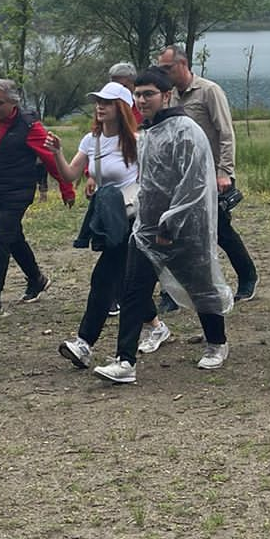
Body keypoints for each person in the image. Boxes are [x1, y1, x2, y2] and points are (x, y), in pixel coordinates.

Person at [92, 68, 234, 383]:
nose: (142, 100)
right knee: (133, 290)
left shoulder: (186, 131)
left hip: (184, 229)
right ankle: (125, 361)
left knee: (202, 287)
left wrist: (172, 224)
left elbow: (193, 185)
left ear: (166, 95)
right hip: (146, 230)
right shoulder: (148, 133)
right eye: (138, 94)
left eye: (148, 94)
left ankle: (216, 343)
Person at [57, 84, 170, 371]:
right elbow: (70, 174)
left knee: (104, 278)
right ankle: (156, 326)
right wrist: (57, 153)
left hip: (133, 219)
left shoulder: (136, 140)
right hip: (108, 220)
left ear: (120, 107)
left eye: (106, 102)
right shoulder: (90, 140)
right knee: (123, 282)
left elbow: (152, 181)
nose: (100, 107)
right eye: (97, 102)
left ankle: (84, 343)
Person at [155, 47, 257, 301]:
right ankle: (173, 292)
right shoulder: (169, 97)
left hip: (209, 177)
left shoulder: (208, 91)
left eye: (167, 68)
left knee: (220, 230)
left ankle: (248, 276)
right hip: (180, 178)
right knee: (173, 230)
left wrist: (224, 172)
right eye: (161, 69)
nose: (164, 73)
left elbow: (225, 133)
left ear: (183, 64)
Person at [0, 77, 75, 318]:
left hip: (18, 192)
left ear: (13, 103)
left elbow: (51, 158)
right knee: (13, 237)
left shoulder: (29, 126)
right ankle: (36, 279)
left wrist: (66, 188)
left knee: (1, 237)